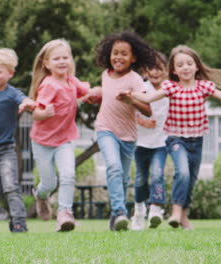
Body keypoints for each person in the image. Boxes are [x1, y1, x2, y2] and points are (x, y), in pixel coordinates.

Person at [119, 45, 221, 230]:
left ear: (197, 66)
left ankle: (183, 217)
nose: (186, 67)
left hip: (197, 141)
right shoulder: (171, 87)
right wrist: (130, 96)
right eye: (180, 65)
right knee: (183, 172)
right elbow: (148, 99)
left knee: (191, 180)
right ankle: (175, 212)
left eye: (189, 63)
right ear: (174, 70)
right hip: (176, 139)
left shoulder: (204, 87)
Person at [86, 32, 156, 231]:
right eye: (115, 53)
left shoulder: (135, 80)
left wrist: (131, 100)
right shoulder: (105, 75)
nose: (118, 57)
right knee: (114, 168)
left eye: (124, 54)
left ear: (133, 58)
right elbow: (107, 94)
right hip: (105, 129)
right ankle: (119, 212)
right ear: (109, 54)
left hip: (128, 136)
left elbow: (148, 110)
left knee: (124, 179)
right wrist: (96, 94)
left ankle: (115, 218)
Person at [29, 39, 93, 232]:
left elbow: (87, 92)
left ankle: (65, 214)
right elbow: (35, 113)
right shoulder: (49, 85)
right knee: (49, 182)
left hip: (64, 140)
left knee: (68, 175)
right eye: (56, 58)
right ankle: (41, 195)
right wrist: (44, 113)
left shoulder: (72, 81)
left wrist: (103, 92)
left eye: (65, 57)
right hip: (43, 142)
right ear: (47, 64)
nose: (62, 61)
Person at [0, 48, 37, 233]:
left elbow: (24, 99)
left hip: (6, 150)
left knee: (11, 186)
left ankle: (20, 222)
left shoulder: (12, 93)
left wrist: (28, 103)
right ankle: (12, 214)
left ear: (10, 73)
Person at [130, 52, 169, 231]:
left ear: (167, 70)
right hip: (140, 143)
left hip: (161, 143)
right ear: (145, 71)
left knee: (157, 175)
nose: (155, 72)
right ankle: (138, 212)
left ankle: (156, 208)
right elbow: (130, 111)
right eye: (152, 68)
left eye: (160, 68)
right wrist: (142, 121)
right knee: (140, 179)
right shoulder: (141, 88)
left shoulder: (170, 89)